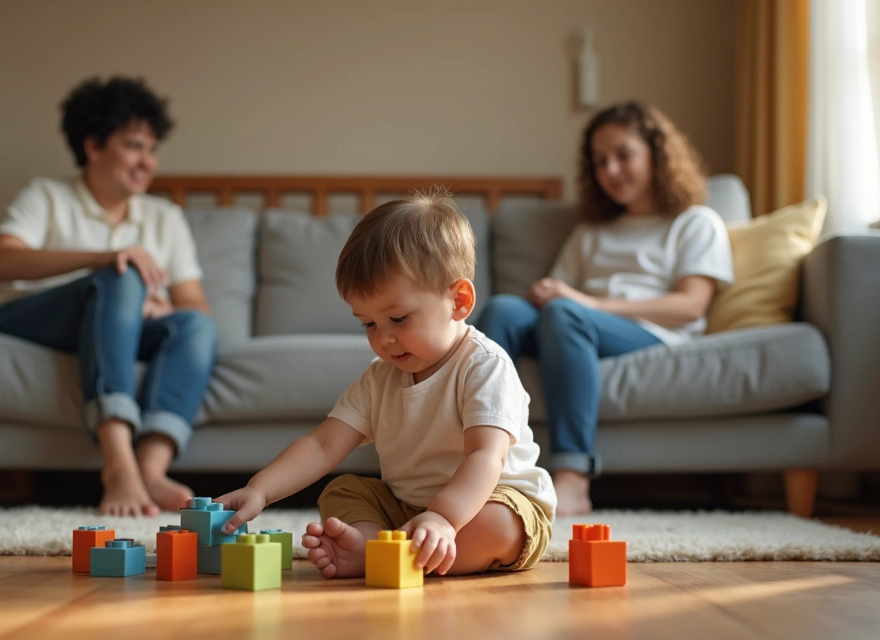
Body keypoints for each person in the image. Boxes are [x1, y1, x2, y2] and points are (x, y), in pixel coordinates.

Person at [213, 190, 556, 578]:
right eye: (369, 324)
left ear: (459, 301)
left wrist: (443, 518)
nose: (383, 338)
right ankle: (374, 546)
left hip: (490, 501)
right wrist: (261, 489)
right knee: (342, 491)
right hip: (407, 507)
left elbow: (485, 457)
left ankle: (392, 557)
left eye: (399, 318)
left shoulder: (484, 365)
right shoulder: (380, 377)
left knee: (500, 524)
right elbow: (323, 444)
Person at [0, 77, 218, 517]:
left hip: (110, 328)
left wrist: (160, 307)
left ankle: (150, 468)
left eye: (152, 150)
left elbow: (195, 306)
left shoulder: (164, 217)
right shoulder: (46, 195)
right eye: (135, 146)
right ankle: (117, 465)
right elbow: (0, 261)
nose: (147, 162)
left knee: (195, 325)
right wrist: (108, 258)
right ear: (94, 146)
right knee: (120, 275)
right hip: (20, 320)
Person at [476, 101, 733, 516]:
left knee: (565, 314)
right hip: (571, 325)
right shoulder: (591, 231)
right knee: (504, 310)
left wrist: (587, 303)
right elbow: (557, 298)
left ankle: (574, 477)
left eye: (623, 155)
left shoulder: (695, 222)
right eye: (600, 162)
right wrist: (548, 293)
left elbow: (691, 305)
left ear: (657, 153)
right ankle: (480, 462)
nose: (611, 170)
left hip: (648, 330)